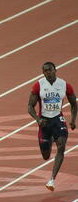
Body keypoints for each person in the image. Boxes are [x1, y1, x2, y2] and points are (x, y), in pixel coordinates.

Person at [28, 62, 76, 191]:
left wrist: (73, 120)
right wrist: (38, 120)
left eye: (50, 70)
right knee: (45, 155)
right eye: (45, 71)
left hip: (57, 120)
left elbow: (74, 103)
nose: (48, 73)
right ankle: (49, 140)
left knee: (61, 146)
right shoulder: (38, 85)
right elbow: (30, 106)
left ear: (55, 70)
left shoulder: (64, 85)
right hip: (44, 121)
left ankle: (52, 180)